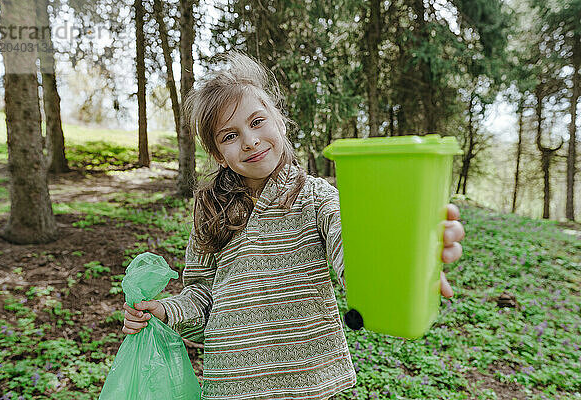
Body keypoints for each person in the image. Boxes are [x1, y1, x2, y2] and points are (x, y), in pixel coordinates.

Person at [121, 52, 465, 400]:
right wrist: (165, 310)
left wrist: (404, 261)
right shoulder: (210, 212)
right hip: (231, 387)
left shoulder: (315, 197)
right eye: (229, 136)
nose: (250, 140)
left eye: (257, 122)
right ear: (217, 155)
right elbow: (201, 298)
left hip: (308, 386)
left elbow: (353, 252)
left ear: (280, 122)